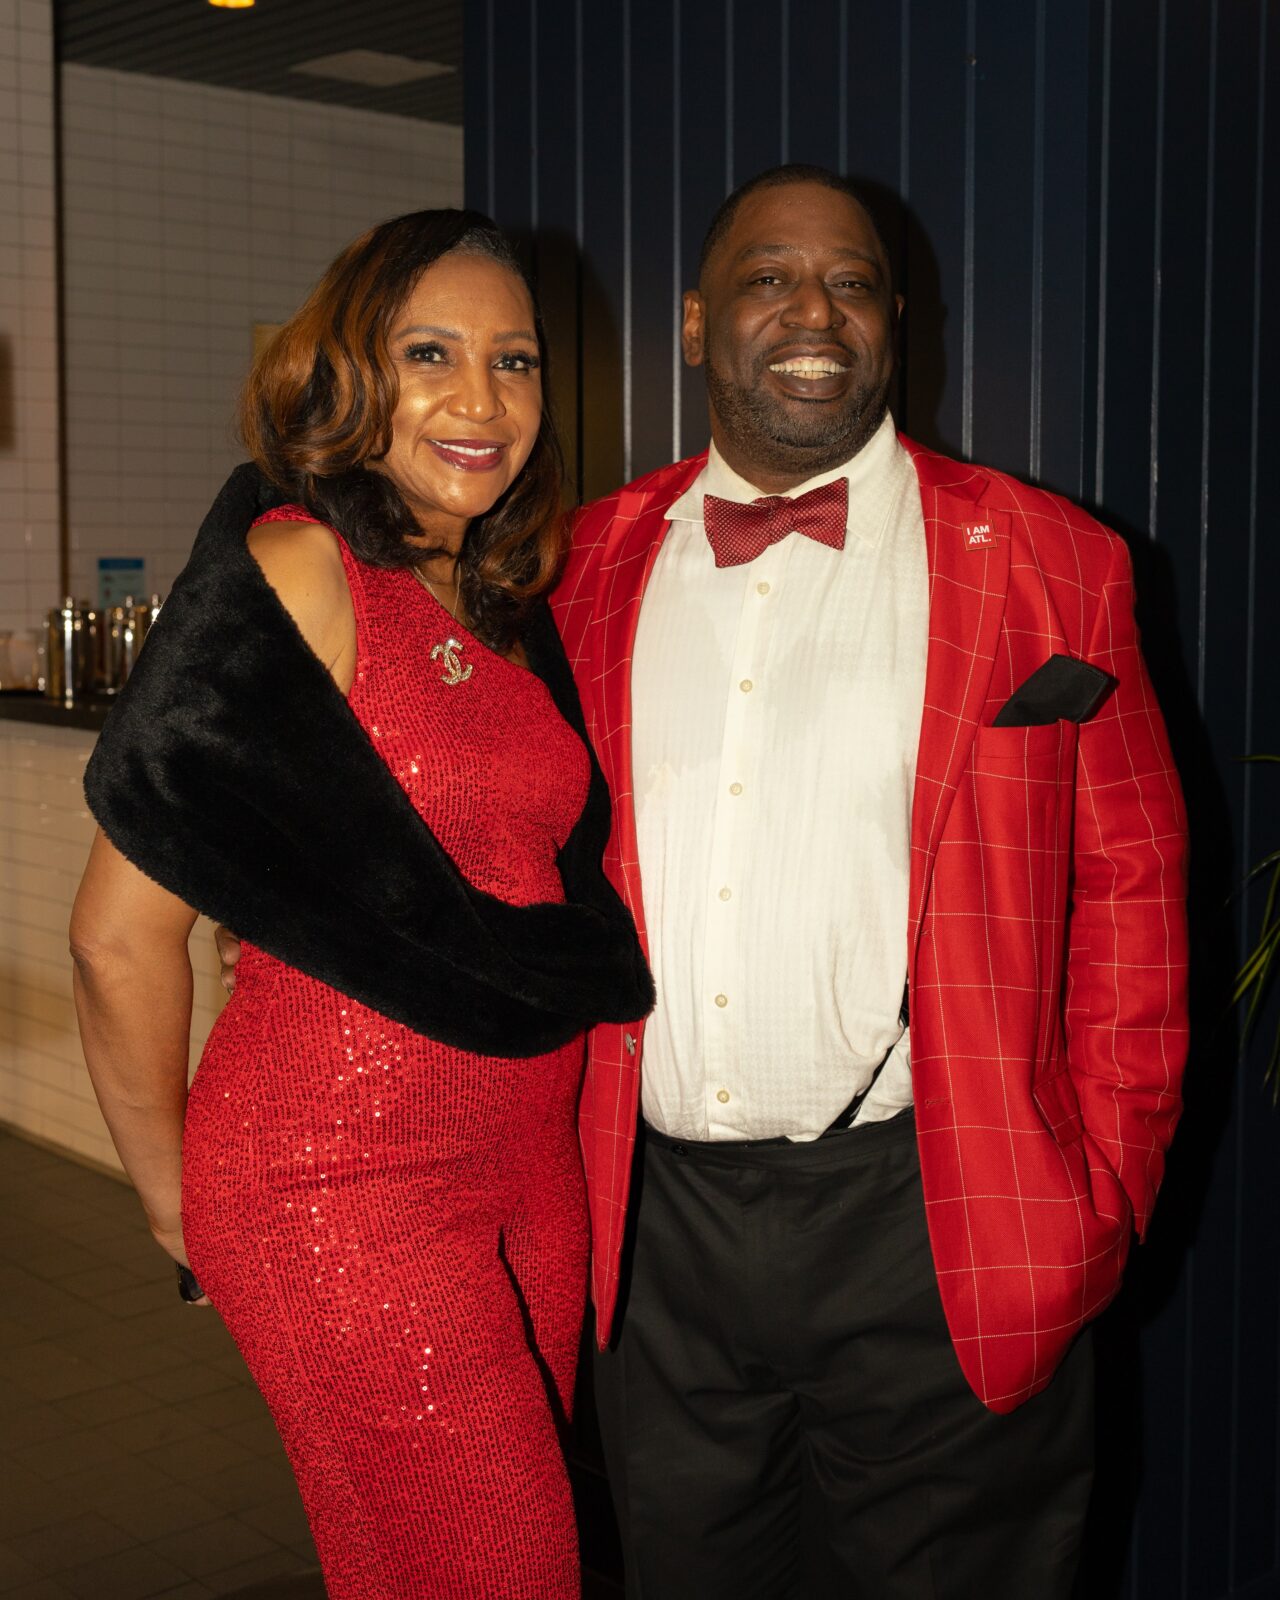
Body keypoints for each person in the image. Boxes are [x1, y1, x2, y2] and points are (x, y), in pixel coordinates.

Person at [548, 165, 1190, 1598]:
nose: (813, 311)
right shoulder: (579, 565)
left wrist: (1100, 1195)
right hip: (650, 1242)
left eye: (850, 282)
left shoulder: (1055, 562)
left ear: (897, 321)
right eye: (769, 277)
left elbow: (1138, 894)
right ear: (697, 322)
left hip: (943, 1220)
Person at [69, 209, 651, 1600]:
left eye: (515, 360)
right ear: (347, 373)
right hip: (340, 1180)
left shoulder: (501, 597)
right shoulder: (304, 567)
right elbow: (117, 935)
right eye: (430, 354)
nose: (481, 399)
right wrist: (174, 1208)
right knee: (505, 1570)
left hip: (530, 1171)